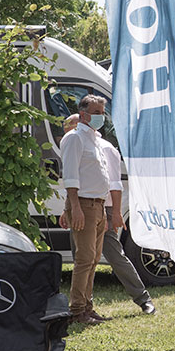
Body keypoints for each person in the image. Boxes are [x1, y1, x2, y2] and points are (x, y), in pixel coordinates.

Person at [59, 115, 156, 317]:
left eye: (69, 126)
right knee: (84, 260)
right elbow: (77, 181)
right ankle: (86, 306)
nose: (67, 131)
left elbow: (114, 184)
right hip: (84, 207)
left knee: (113, 256)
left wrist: (116, 212)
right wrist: (67, 209)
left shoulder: (105, 148)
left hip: (105, 209)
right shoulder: (78, 143)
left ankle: (143, 299)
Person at [60, 94, 111, 325]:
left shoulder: (94, 139)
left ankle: (87, 307)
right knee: (84, 259)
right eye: (97, 112)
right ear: (83, 114)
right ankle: (77, 310)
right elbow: (70, 176)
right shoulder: (75, 138)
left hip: (97, 206)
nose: (102, 116)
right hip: (85, 205)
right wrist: (74, 209)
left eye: (102, 112)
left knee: (94, 259)